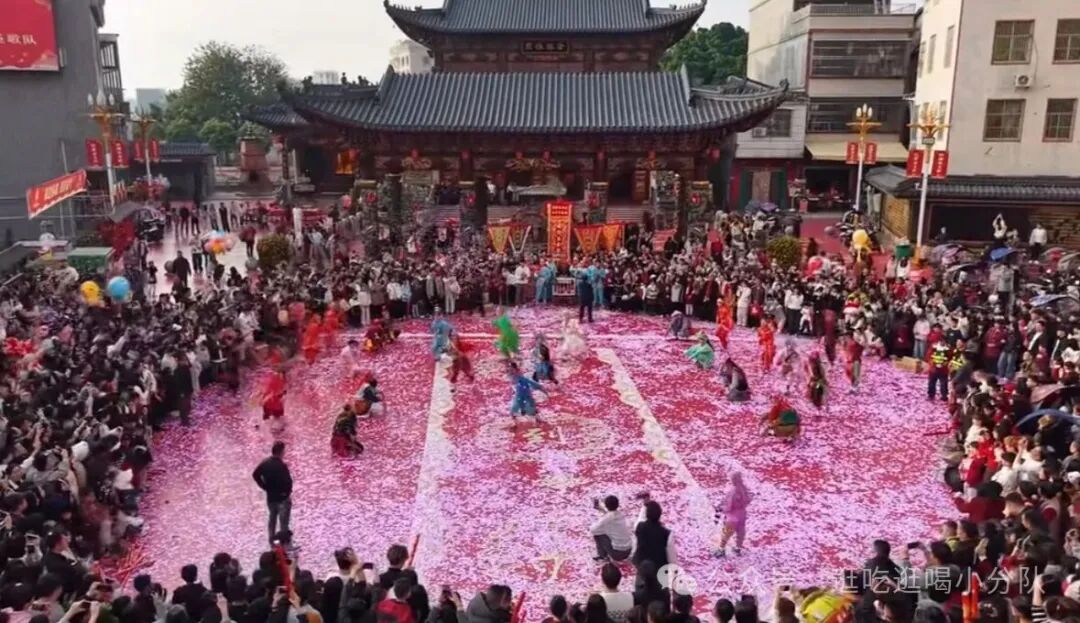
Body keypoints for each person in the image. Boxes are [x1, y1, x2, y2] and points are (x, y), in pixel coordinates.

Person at [252, 441, 293, 545]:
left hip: (271, 497)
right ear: (281, 452)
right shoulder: (281, 465)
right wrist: (287, 493)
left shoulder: (265, 463)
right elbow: (288, 481)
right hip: (282, 498)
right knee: (284, 521)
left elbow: (255, 474)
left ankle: (271, 539)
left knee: (272, 518)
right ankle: (284, 541)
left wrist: (264, 486)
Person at [714, 472, 751, 557]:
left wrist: (721, 509)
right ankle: (738, 548)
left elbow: (728, 506)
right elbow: (748, 500)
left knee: (727, 533)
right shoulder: (744, 489)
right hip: (742, 515)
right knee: (740, 533)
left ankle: (721, 550)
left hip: (732, 517)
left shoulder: (733, 492)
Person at [632, 498, 675, 570]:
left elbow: (640, 519)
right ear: (660, 515)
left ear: (647, 515)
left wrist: (645, 506)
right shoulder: (667, 534)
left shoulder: (639, 526)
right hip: (659, 568)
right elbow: (672, 559)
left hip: (642, 565)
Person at [589, 495, 633, 562]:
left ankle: (602, 556)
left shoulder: (607, 519)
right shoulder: (620, 514)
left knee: (598, 535)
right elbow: (610, 516)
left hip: (618, 554)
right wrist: (601, 509)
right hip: (629, 550)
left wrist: (600, 518)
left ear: (606, 505)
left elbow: (593, 529)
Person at [508, 362, 546, 430]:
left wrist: (540, 388)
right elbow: (514, 384)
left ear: (515, 368)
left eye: (511, 368)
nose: (510, 370)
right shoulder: (513, 376)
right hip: (519, 395)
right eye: (509, 368)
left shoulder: (522, 376)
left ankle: (537, 418)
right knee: (513, 408)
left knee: (531, 408)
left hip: (526, 394)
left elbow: (530, 382)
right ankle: (514, 422)